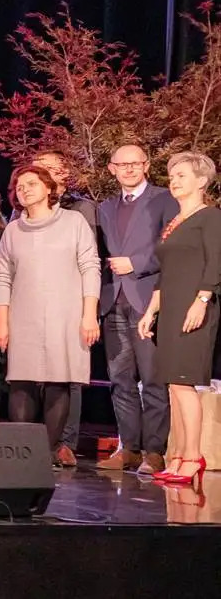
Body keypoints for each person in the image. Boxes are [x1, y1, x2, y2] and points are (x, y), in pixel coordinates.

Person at [0, 164, 99, 462]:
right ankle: (22, 454)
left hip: (66, 312)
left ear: (49, 188)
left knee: (58, 379)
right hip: (24, 313)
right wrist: (2, 322)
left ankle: (47, 452)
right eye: (19, 186)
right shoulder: (13, 230)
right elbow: (3, 276)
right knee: (21, 379)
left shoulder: (73, 221)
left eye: (32, 184)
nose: (24, 190)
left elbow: (90, 266)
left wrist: (89, 314)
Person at [138, 152, 221, 489]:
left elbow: (216, 263)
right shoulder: (175, 221)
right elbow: (166, 272)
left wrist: (202, 299)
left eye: (182, 175)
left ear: (201, 181)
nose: (174, 181)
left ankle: (193, 457)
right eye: (172, 176)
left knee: (185, 384)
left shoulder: (210, 217)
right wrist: (151, 311)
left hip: (194, 307)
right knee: (173, 385)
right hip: (171, 308)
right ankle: (180, 456)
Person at [95, 144, 178, 474]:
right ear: (112, 169)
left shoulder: (165, 199)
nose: (129, 169)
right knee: (120, 379)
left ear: (146, 166)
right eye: (122, 164)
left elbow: (173, 245)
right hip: (113, 301)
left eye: (135, 163)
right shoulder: (105, 207)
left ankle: (155, 451)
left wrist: (137, 263)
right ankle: (128, 447)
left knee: (153, 378)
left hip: (148, 299)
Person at [31, 149, 99, 465]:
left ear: (65, 172)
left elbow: (86, 258)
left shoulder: (81, 208)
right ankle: (37, 442)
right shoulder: (24, 209)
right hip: (34, 302)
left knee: (68, 374)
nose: (41, 171)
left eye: (49, 167)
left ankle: (64, 442)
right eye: (37, 166)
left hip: (69, 300)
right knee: (35, 375)